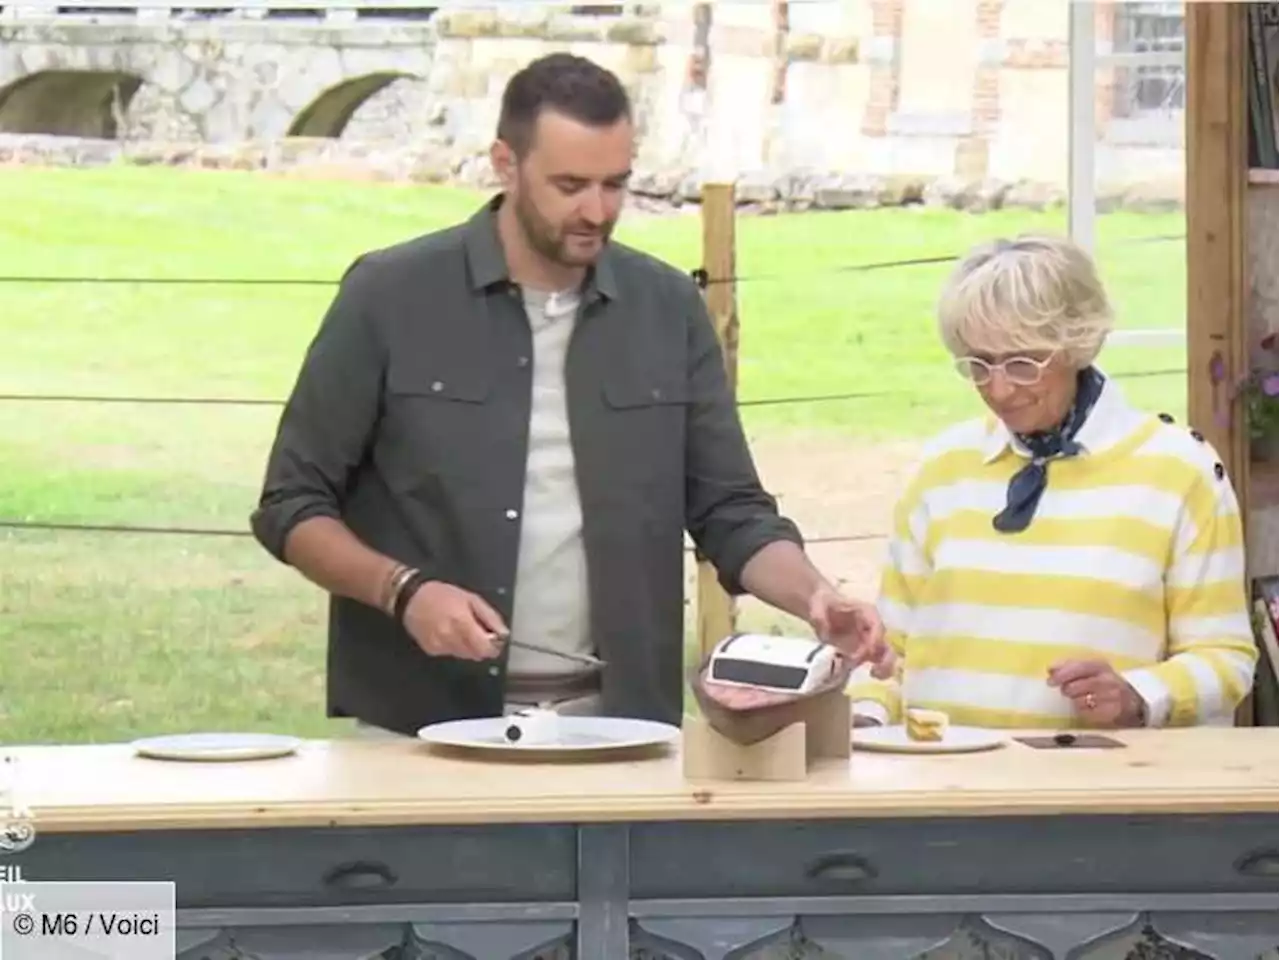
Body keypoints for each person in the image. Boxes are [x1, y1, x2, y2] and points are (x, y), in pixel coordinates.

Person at [250, 52, 891, 737]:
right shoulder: (388, 295)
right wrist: (404, 593)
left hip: (624, 731)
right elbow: (291, 505)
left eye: (616, 184)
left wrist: (816, 596)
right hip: (420, 727)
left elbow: (730, 510)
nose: (598, 210)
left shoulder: (668, 307)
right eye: (570, 185)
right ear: (505, 163)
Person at [848, 234, 1258, 730]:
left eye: (1022, 363)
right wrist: (865, 716)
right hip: (942, 786)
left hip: (1095, 794)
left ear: (1077, 345)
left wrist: (1137, 696)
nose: (998, 389)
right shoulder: (942, 467)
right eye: (978, 364)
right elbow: (891, 652)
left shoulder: (1179, 470)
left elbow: (1225, 658)